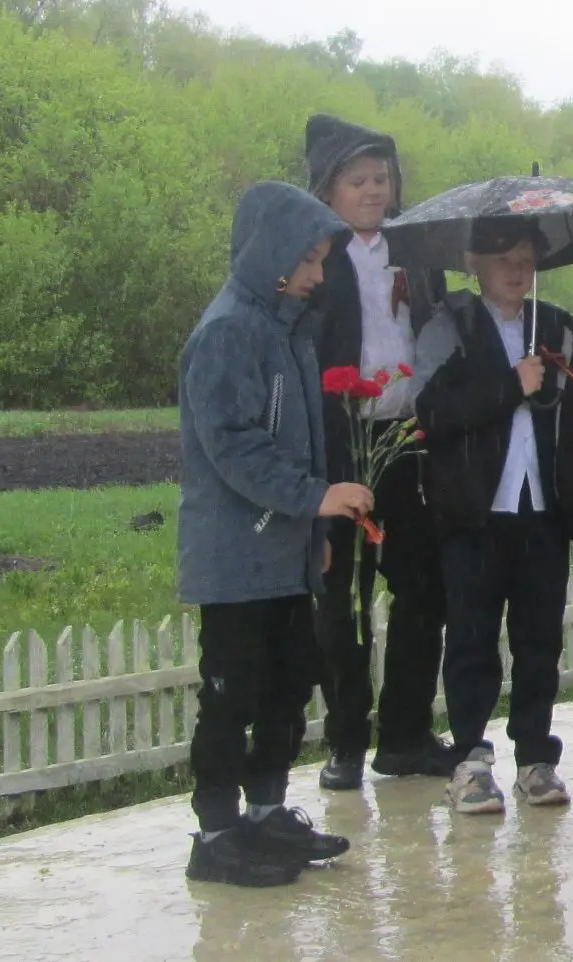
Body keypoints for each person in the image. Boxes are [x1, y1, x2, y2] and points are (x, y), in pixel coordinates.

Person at [176, 180, 372, 888]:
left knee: (289, 683)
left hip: (284, 552)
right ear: (272, 255)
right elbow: (234, 447)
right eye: (309, 259)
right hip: (235, 559)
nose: (319, 274)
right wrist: (316, 498)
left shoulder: (286, 330)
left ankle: (265, 813)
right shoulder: (229, 332)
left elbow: (301, 438)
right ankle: (216, 835)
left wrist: (312, 531)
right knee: (233, 695)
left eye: (321, 260)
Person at [413, 221, 573, 815]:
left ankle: (535, 758)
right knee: (471, 638)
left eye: (526, 259)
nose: (516, 270)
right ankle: (470, 761)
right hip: (474, 513)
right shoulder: (449, 328)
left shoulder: (560, 331)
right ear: (474, 262)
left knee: (539, 639)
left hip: (541, 512)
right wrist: (512, 385)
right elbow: (432, 414)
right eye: (503, 258)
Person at [303, 113, 453, 789]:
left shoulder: (416, 251)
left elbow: (436, 330)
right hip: (339, 443)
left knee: (422, 585)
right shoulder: (317, 256)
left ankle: (406, 735)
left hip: (407, 440)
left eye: (380, 179)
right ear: (329, 190)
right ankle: (344, 740)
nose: (372, 191)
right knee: (340, 595)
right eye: (357, 181)